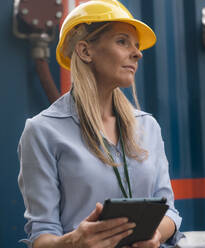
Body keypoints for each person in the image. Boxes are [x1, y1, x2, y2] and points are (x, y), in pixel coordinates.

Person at [17, 0, 183, 247]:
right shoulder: (42, 131)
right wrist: (74, 242)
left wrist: (156, 234)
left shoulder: (147, 127)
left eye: (136, 46)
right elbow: (42, 235)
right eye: (122, 41)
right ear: (85, 51)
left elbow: (169, 211)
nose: (137, 53)